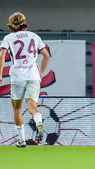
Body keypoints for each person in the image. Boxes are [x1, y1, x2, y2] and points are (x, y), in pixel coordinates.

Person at [0, 12, 50, 147]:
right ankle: (39, 122)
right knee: (32, 107)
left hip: (17, 77)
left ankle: (21, 141)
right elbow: (46, 55)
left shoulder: (8, 38)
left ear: (11, 25)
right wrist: (41, 72)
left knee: (17, 108)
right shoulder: (34, 36)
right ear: (24, 23)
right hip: (33, 76)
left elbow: (2, 56)